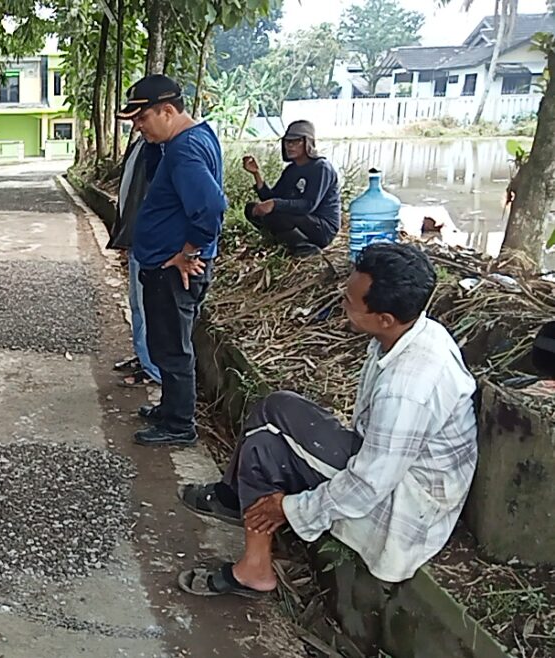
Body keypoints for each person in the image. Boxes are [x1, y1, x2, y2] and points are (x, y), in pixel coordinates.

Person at [175, 242, 477, 598]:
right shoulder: (412, 331)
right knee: (274, 405)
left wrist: (289, 508)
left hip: (404, 498)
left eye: (350, 301)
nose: (342, 301)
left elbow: (369, 484)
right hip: (387, 463)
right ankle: (234, 497)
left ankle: (255, 568)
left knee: (264, 447)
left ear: (385, 319)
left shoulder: (408, 389)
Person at [115, 74, 226, 447]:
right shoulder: (189, 139)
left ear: (167, 111)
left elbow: (211, 208)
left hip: (173, 270)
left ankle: (179, 424)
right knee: (167, 343)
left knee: (172, 348)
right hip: (169, 264)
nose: (139, 127)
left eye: (143, 119)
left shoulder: (184, 149)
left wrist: (187, 252)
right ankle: (170, 408)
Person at [242, 120, 341, 258]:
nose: (290, 146)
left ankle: (306, 248)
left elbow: (309, 205)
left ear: (308, 143)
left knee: (278, 213)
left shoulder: (321, 168)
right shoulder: (291, 170)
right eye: (288, 142)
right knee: (252, 209)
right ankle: (283, 241)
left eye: (296, 142)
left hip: (322, 227)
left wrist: (275, 204)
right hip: (300, 219)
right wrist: (256, 174)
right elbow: (270, 198)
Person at [111, 131, 164, 388]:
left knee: (147, 307)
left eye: (142, 116)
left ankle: (153, 368)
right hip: (139, 239)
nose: (137, 123)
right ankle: (144, 358)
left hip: (152, 243)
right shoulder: (142, 144)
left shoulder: (165, 147)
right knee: (137, 304)